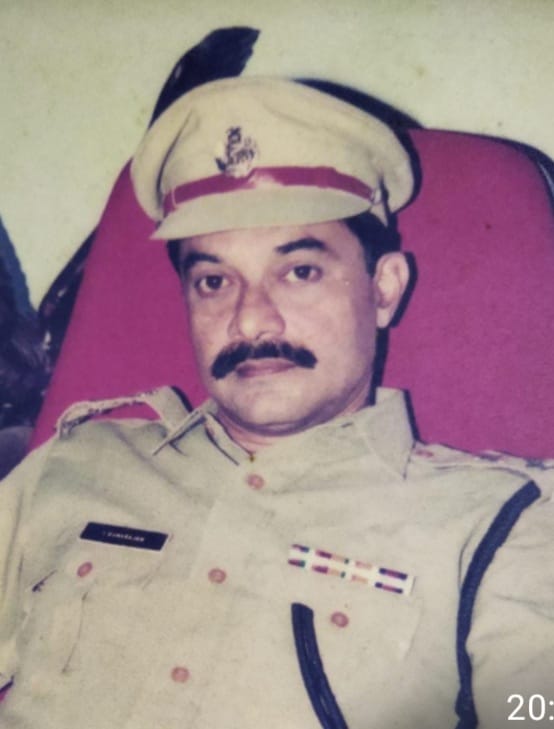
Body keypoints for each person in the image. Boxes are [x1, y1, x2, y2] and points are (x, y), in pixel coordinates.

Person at [0, 76, 553, 729]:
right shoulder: (77, 463)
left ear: (383, 288)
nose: (250, 319)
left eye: (299, 271)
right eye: (214, 281)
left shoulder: (499, 523)